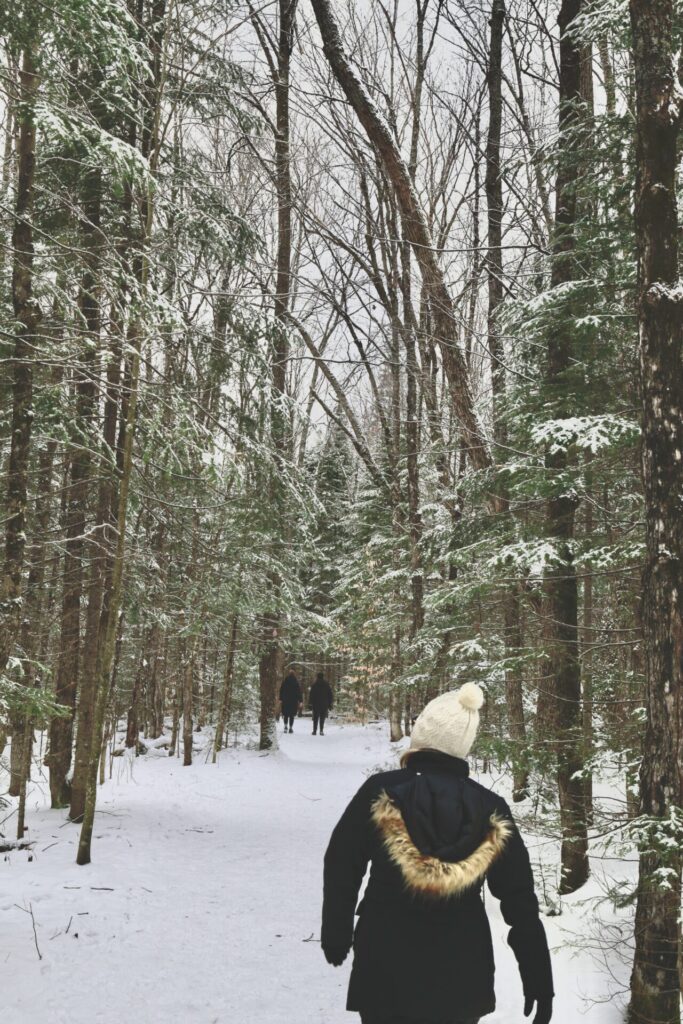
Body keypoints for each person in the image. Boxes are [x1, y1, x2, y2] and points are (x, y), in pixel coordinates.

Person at [320, 684, 554, 1024]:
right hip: (462, 975)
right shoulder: (492, 809)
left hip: (384, 967)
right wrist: (539, 978)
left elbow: (342, 861)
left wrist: (336, 932)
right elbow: (519, 899)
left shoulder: (381, 791)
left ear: (422, 733)